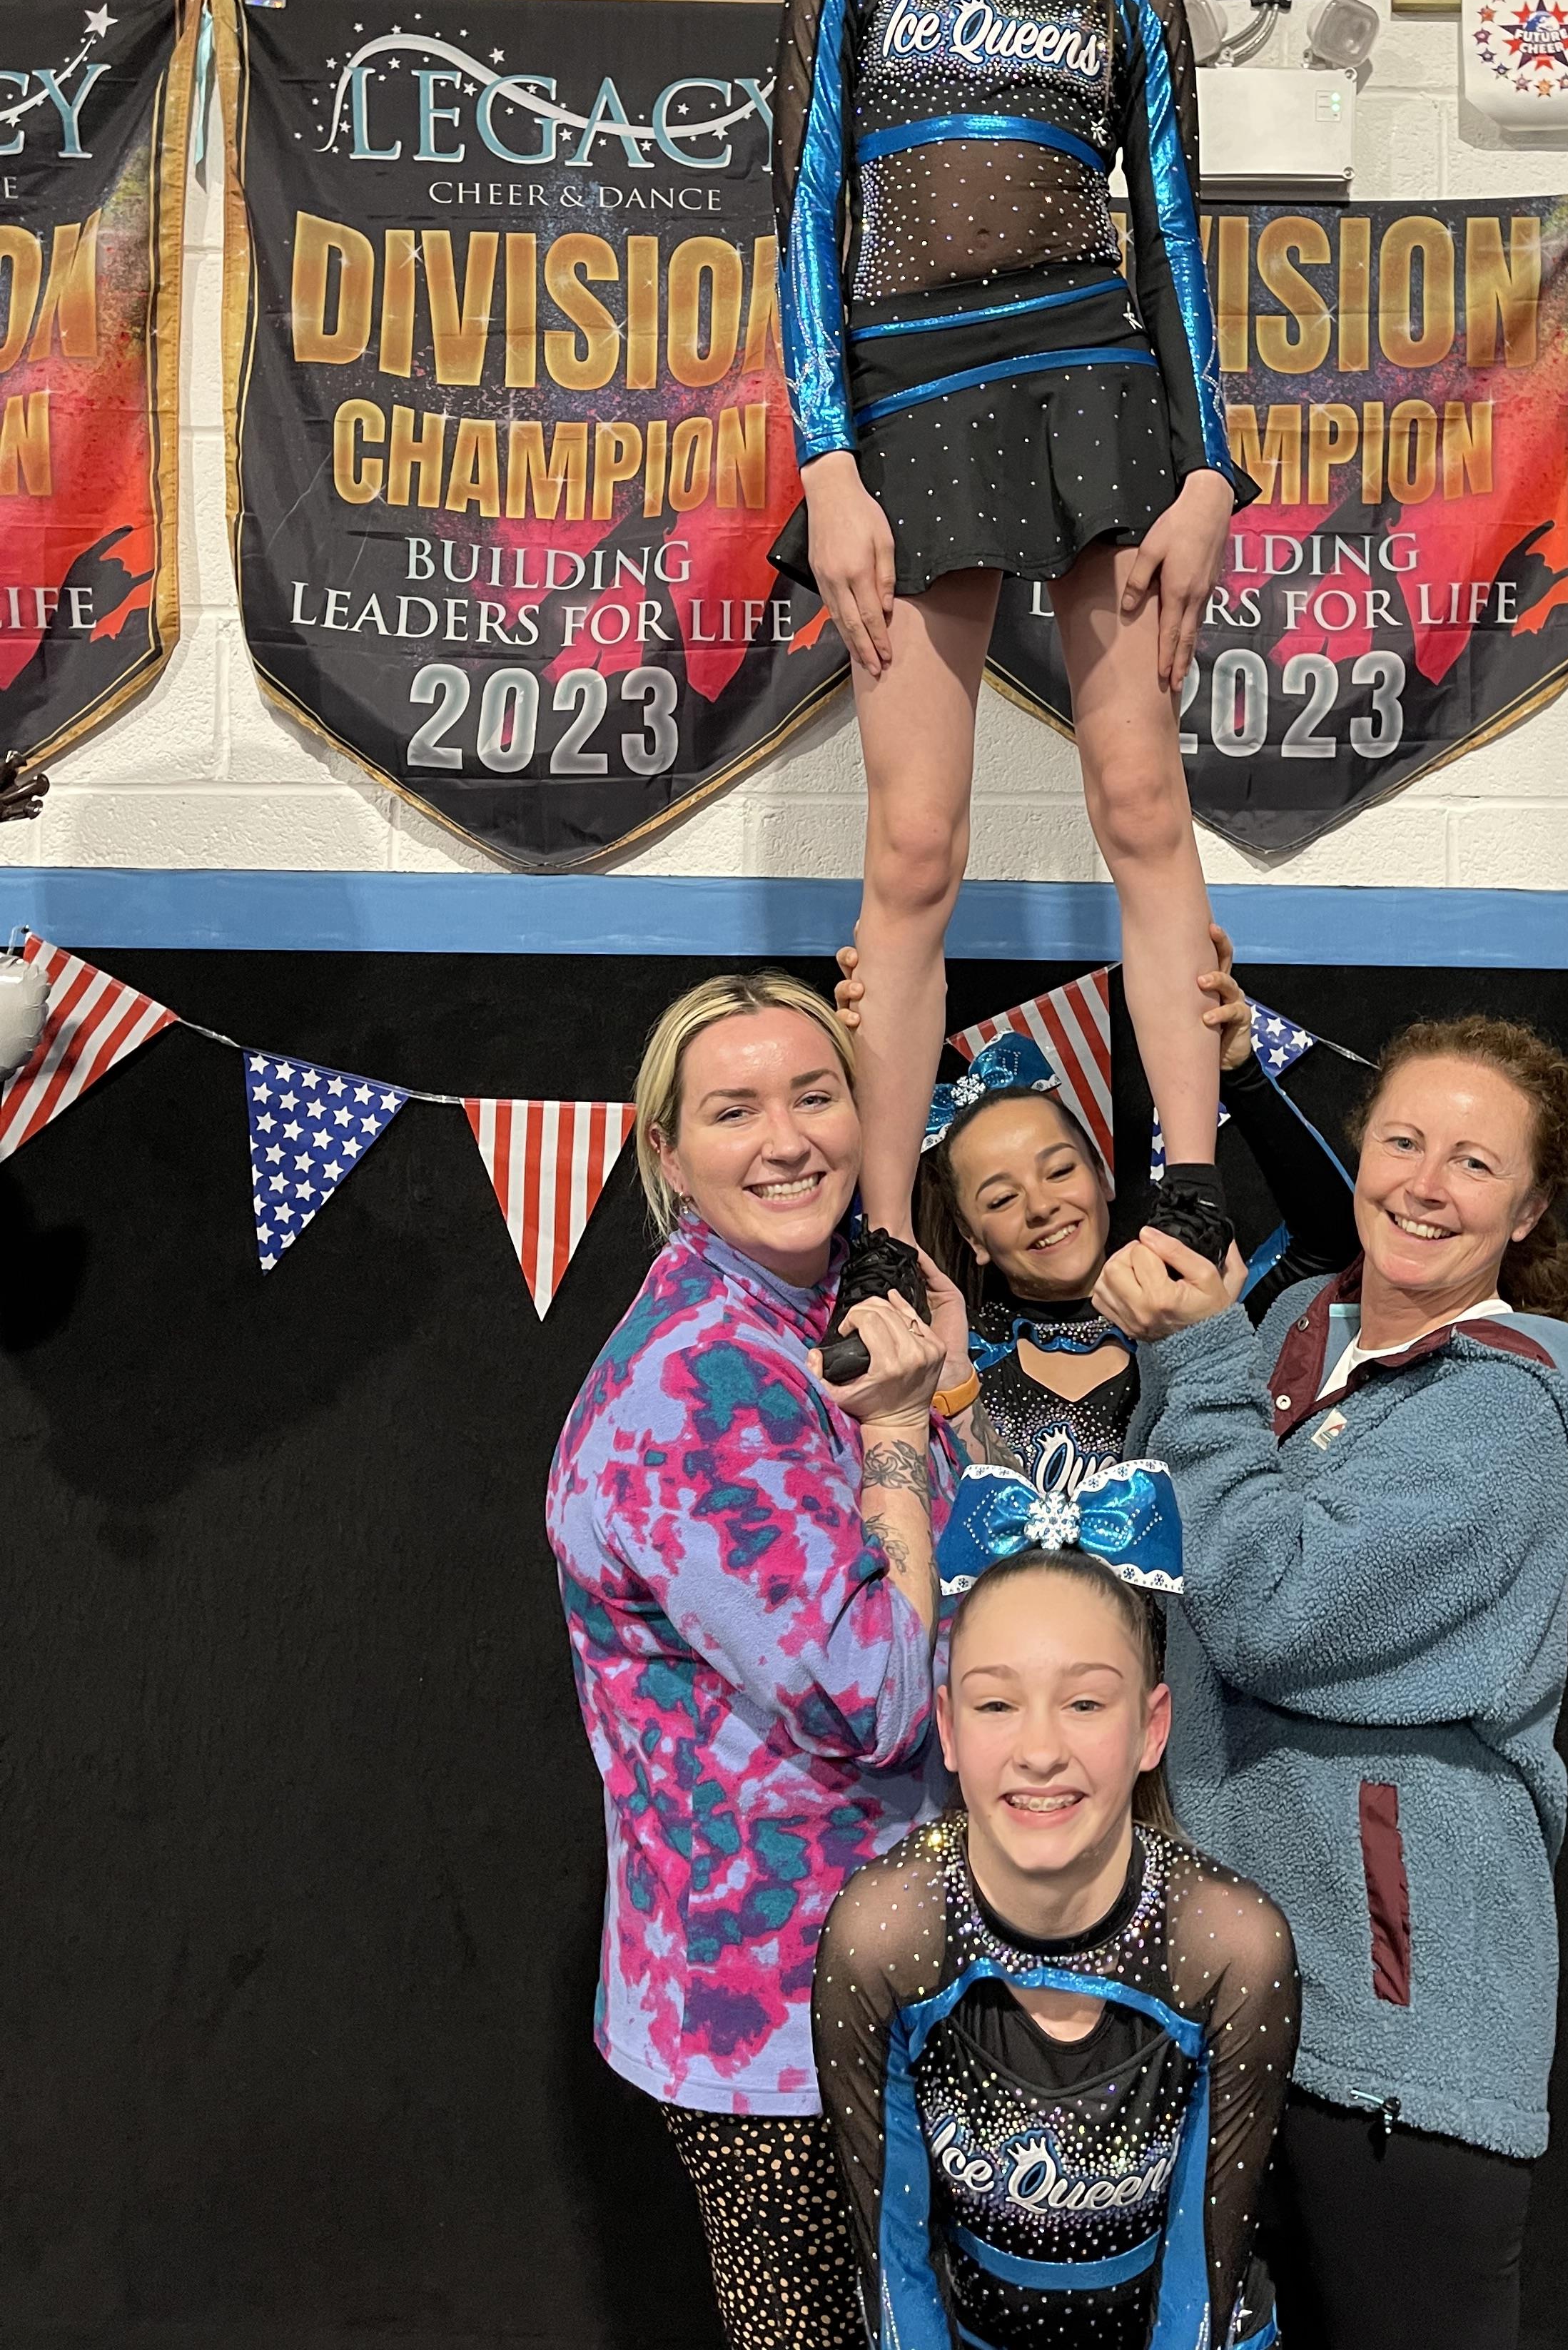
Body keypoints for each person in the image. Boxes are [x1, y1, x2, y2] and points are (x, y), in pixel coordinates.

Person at [769, 0, 1256, 1376]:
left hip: (1094, 392)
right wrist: (829, 464)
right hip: (907, 409)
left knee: (1142, 801)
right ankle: (887, 1240)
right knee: (915, 841)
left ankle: (1188, 1184)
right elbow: (805, 221)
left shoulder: (1130, 5)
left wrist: (1210, 472)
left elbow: (1178, 249)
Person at [1103, 1016, 1568, 2350]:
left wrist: (1199, 1357)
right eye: (1402, 1141)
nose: (1424, 1183)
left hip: (1390, 2031)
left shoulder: (1514, 1417)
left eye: (1473, 1162)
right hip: (1220, 1981)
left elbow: (1274, 1610)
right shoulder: (1300, 1328)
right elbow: (1163, 1542)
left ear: (1527, 1208)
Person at [545, 972, 972, 2350]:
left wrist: (950, 1397)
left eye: (814, 1093)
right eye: (733, 1110)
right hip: (783, 2026)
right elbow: (877, 1694)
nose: (785, 1138)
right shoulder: (698, 1384)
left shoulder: (824, 1310)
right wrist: (900, 1433)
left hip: (901, 1974)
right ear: (666, 1153)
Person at [811, 1440, 1299, 2349]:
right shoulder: (883, 1934)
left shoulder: (1230, 1945)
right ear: (948, 1726)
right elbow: (893, 2267)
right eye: (997, 1705)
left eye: (1085, 1704)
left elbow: (1201, 2287)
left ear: (1152, 1726)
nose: (1040, 1752)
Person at [834, 928, 1358, 1474]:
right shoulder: (936, 1350)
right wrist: (862, 1054)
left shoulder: (1197, 1317)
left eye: (1059, 1170)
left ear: (1102, 1178)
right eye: (1003, 1198)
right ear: (972, 1237)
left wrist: (1241, 1074)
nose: (1041, 1206)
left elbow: (1332, 1243)